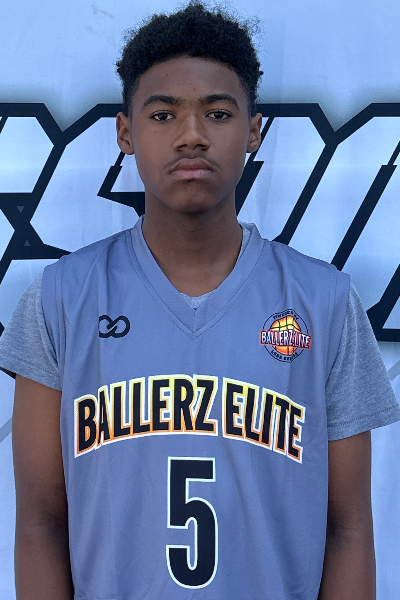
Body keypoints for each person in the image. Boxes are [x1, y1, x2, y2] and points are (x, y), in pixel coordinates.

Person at [1, 2, 399, 598]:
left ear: (254, 131)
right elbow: (39, 525)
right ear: (125, 132)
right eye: (163, 114)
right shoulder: (61, 299)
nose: (191, 135)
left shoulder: (324, 302)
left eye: (217, 113)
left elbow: (348, 531)